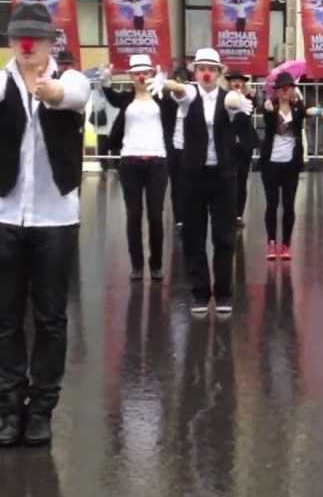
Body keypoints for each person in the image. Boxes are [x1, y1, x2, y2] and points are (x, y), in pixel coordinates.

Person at [0, 2, 90, 448]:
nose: (28, 46)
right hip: (3, 214)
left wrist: (51, 94)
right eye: (19, 38)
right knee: (6, 318)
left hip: (56, 218)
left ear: (51, 42)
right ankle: (9, 410)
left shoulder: (71, 78)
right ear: (10, 43)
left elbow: (75, 96)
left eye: (36, 38)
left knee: (50, 318)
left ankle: (42, 409)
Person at [160, 48, 253, 314]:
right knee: (193, 235)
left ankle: (223, 293)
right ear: (195, 72)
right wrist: (171, 85)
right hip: (193, 175)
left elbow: (248, 139)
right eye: (202, 68)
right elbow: (180, 92)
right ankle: (200, 293)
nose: (207, 73)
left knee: (224, 237)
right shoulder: (190, 96)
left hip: (223, 176)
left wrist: (237, 115)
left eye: (211, 69)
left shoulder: (231, 98)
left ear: (220, 73)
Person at [99, 54, 173, 280]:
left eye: (146, 72)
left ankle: (157, 264)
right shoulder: (126, 100)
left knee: (155, 216)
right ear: (131, 76)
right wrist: (105, 81)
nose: (142, 76)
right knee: (133, 215)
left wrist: (166, 83)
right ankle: (137, 266)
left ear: (151, 74)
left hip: (157, 162)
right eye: (137, 73)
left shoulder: (161, 99)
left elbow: (177, 103)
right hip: (130, 161)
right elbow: (110, 97)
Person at [260, 72, 323, 260]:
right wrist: (267, 106)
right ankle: (271, 243)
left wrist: (322, 111)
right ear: (277, 91)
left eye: (288, 87)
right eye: (282, 88)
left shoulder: (297, 107)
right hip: (271, 163)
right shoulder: (270, 107)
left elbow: (308, 112)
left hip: (291, 164)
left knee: (289, 205)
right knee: (272, 204)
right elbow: (265, 113)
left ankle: (286, 244)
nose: (285, 91)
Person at [224, 70, 260, 228]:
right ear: (229, 83)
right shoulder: (223, 99)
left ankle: (238, 214)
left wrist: (251, 96)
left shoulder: (248, 99)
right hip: (228, 145)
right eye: (234, 80)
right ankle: (228, 213)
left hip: (244, 145)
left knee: (242, 180)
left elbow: (251, 111)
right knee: (228, 180)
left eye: (239, 80)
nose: (237, 83)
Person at [165, 64, 190, 231]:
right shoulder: (168, 101)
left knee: (190, 184)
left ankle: (190, 216)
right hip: (174, 148)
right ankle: (179, 218)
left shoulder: (193, 101)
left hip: (191, 148)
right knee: (176, 184)